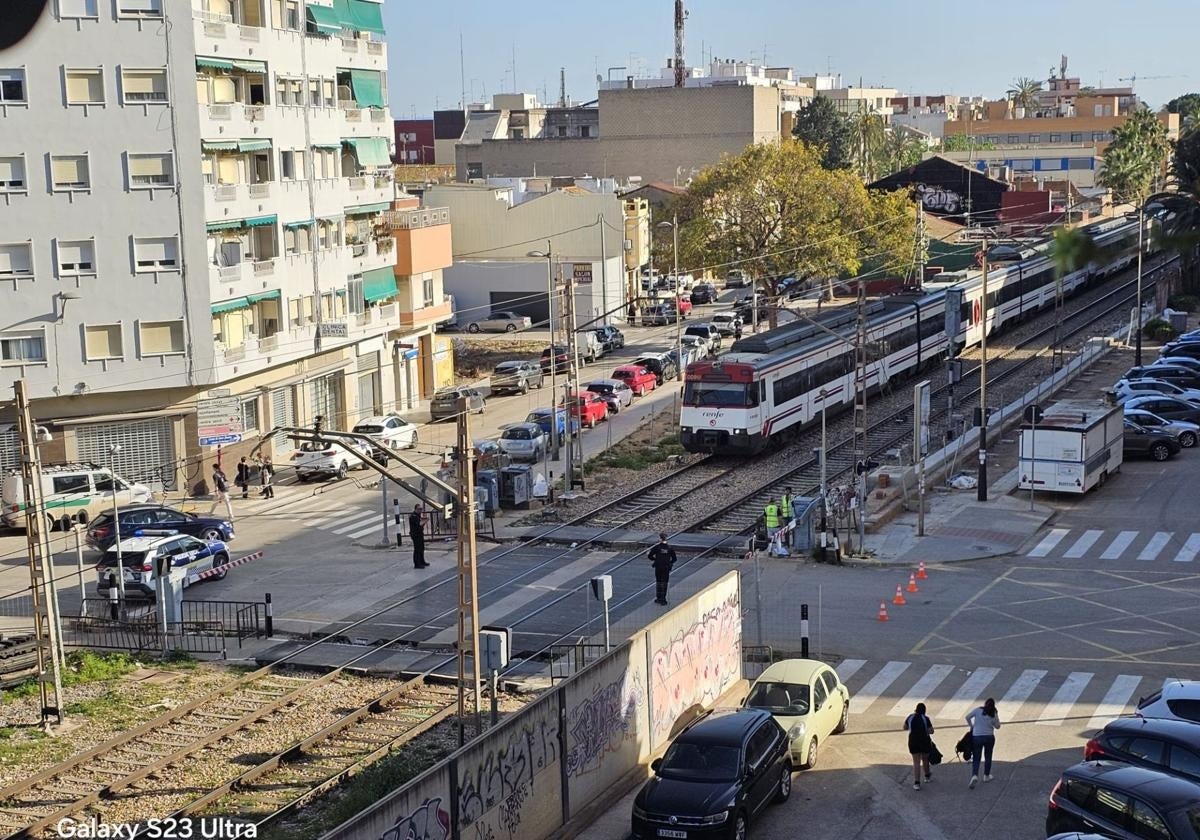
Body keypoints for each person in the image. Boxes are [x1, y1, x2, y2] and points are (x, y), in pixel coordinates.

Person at [966, 698, 1001, 788]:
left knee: (976, 757)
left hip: (977, 736)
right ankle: (986, 775)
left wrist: (972, 726)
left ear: (985, 704)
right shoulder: (993, 713)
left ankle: (974, 775)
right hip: (989, 737)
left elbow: (967, 717)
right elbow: (998, 726)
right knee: (988, 756)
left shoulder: (978, 710)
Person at [904, 702, 934, 790]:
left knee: (916, 762)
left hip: (913, 741)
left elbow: (904, 727)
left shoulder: (910, 717)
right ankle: (927, 776)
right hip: (924, 741)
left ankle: (917, 783)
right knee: (925, 759)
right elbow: (931, 730)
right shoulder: (925, 718)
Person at [648, 533, 676, 605]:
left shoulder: (657, 547)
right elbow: (674, 559)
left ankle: (658, 598)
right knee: (665, 583)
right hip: (666, 568)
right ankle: (663, 599)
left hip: (658, 567)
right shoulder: (670, 548)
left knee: (659, 582)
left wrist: (656, 560)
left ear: (660, 539)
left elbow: (650, 556)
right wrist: (669, 562)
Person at [409, 504, 428, 569]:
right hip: (415, 535)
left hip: (420, 534)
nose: (420, 510)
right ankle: (417, 564)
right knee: (417, 549)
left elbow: (420, 522)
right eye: (419, 509)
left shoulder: (417, 515)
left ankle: (422, 561)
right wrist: (425, 521)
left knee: (421, 548)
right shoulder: (413, 516)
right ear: (415, 509)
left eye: (421, 509)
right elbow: (419, 525)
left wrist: (424, 519)